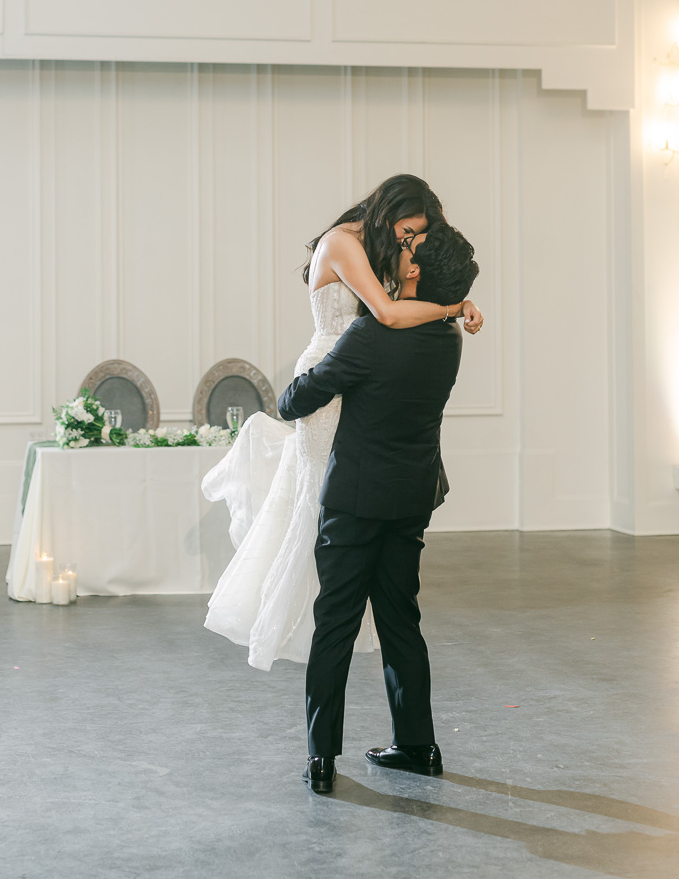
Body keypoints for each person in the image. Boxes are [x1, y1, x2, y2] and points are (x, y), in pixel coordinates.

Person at [202, 175, 483, 671]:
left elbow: (398, 310)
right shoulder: (343, 243)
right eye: (407, 232)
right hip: (331, 373)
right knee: (323, 499)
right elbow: (389, 314)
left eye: (415, 238)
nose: (408, 244)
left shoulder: (377, 246)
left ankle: (337, 613)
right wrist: (453, 307)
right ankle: (317, 617)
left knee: (343, 499)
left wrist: (451, 304)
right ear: (387, 211)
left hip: (362, 370)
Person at [277, 221, 479, 794]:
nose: (400, 249)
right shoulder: (448, 338)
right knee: (400, 620)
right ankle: (419, 745)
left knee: (334, 625)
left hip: (355, 502)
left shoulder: (370, 336)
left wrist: (309, 373)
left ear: (413, 272)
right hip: (412, 497)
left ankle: (322, 759)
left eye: (409, 248)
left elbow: (296, 402)